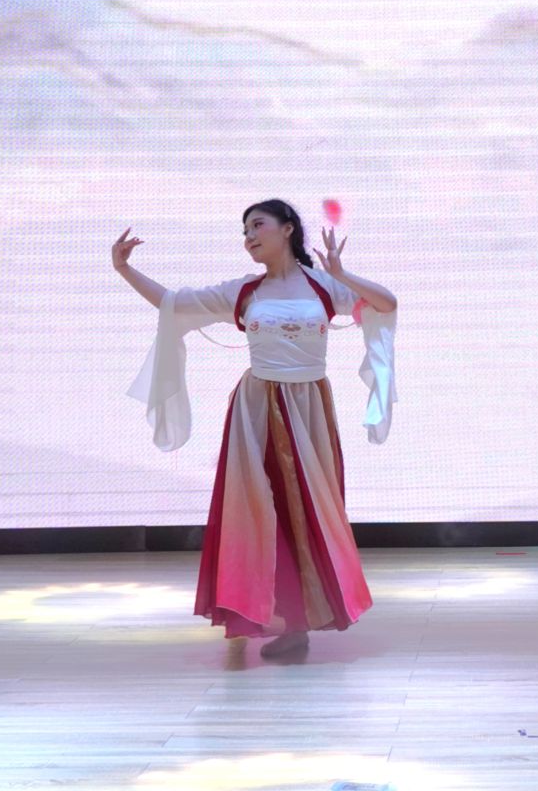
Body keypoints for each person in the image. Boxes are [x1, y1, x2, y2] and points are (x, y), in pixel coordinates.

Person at [117, 199, 396, 661]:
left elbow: (387, 304)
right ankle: (274, 616)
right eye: (244, 230)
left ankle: (299, 620)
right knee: (259, 512)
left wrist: (342, 273)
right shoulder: (245, 291)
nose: (248, 237)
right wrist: (125, 269)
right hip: (257, 409)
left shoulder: (325, 286)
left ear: (287, 229)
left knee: (306, 512)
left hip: (308, 409)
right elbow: (172, 304)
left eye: (257, 226)